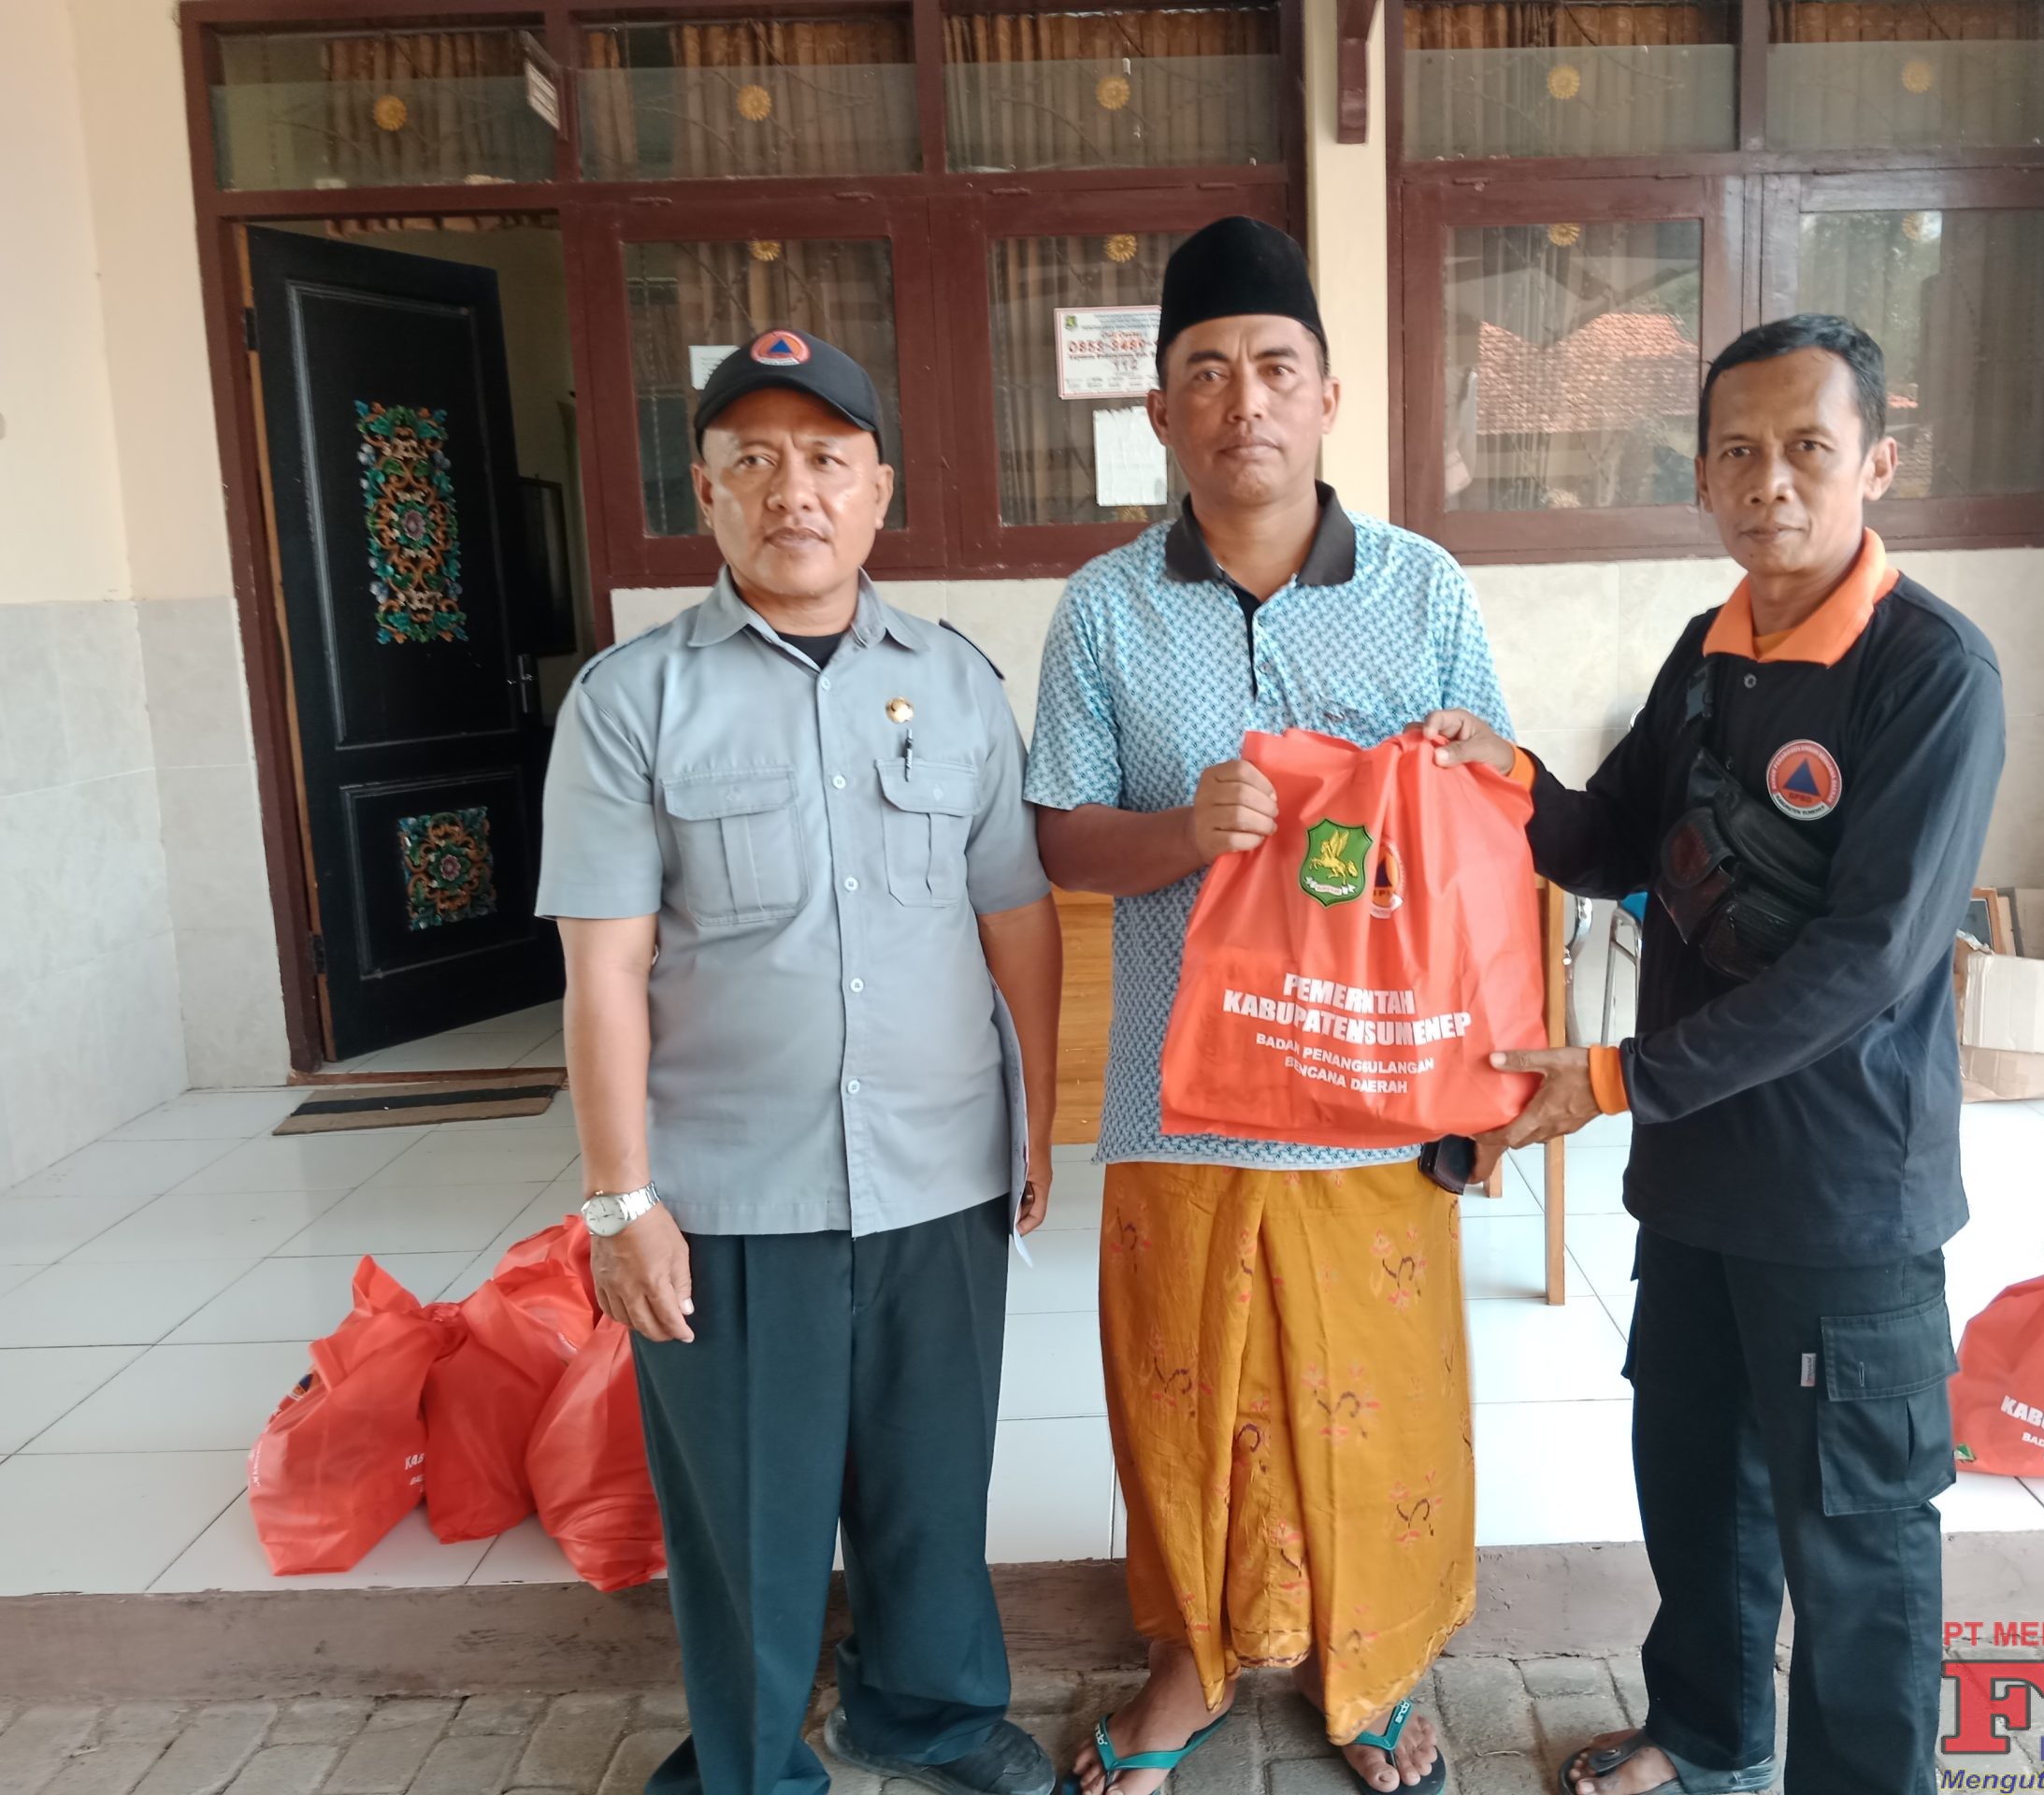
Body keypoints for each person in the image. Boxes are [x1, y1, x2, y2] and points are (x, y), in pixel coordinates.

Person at [1425, 315, 2006, 1795]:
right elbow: (1613, 839)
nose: (1771, 483)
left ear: (1877, 461)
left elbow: (1872, 960)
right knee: (1695, 1484)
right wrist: (1508, 780)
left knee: (1855, 1532)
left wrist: (1618, 1079)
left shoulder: (1931, 671)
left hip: (1841, 1194)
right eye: (1738, 452)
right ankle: (1702, 1733)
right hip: (1696, 1183)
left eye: (1808, 448)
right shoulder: (1708, 650)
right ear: (1700, 475)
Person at [536, 327, 1063, 1795]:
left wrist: (1033, 1120)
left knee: (931, 1483)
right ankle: (756, 1763)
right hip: (731, 1192)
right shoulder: (631, 701)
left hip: (938, 1166)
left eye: (828, 458)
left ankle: (925, 1712)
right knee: (751, 1519)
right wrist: (620, 1202)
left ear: (879, 489)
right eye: (754, 461)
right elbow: (602, 970)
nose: (795, 492)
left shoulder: (957, 684)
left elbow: (1015, 915)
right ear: (705, 492)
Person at [1027, 216, 1512, 1795]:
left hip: (1375, 1092)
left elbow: (1494, 824)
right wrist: (1184, 833)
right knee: (1187, 1396)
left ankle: (1371, 1669)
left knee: (1374, 1405)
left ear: (1329, 397)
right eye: (1209, 370)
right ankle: (1190, 1658)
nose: (1246, 400)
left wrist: (1453, 777)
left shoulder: (1423, 588)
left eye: (1277, 368)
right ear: (1160, 409)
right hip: (1180, 1095)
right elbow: (1059, 836)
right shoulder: (1104, 608)